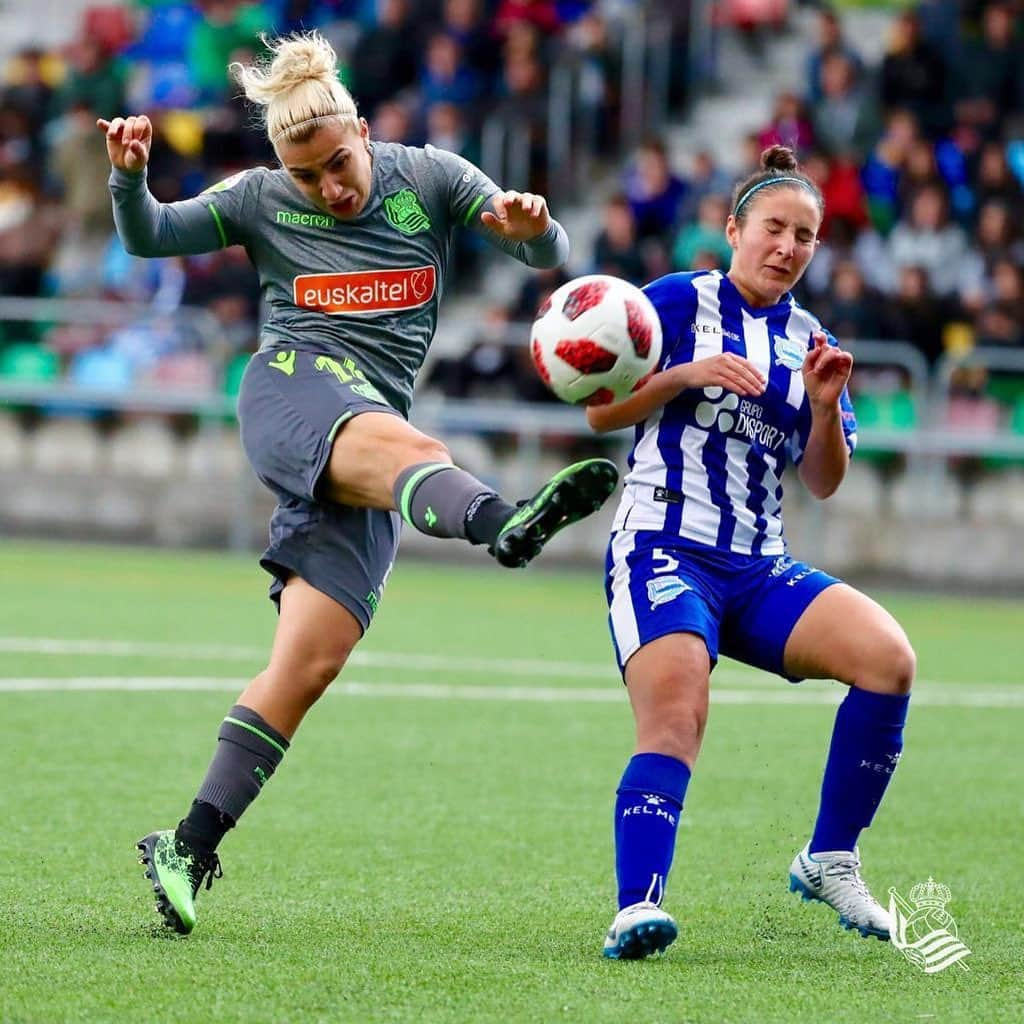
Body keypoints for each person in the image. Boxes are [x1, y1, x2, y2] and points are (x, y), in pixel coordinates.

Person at [98, 31, 618, 936]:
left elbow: (544, 252)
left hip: (374, 456)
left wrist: (536, 232)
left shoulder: (432, 179)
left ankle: (187, 842)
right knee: (394, 434)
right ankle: (499, 521)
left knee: (308, 664)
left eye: (338, 165)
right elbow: (150, 235)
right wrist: (126, 176)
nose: (329, 188)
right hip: (294, 390)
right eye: (309, 179)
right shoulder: (259, 198)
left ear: (364, 132)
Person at [588, 145, 915, 959]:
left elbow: (825, 480)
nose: (788, 247)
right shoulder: (673, 302)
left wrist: (830, 407)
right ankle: (637, 906)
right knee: (676, 715)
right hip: (664, 545)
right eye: (774, 228)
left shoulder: (813, 341)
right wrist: (681, 376)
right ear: (733, 229)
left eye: (805, 236)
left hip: (759, 567)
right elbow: (600, 412)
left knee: (889, 659)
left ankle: (830, 858)